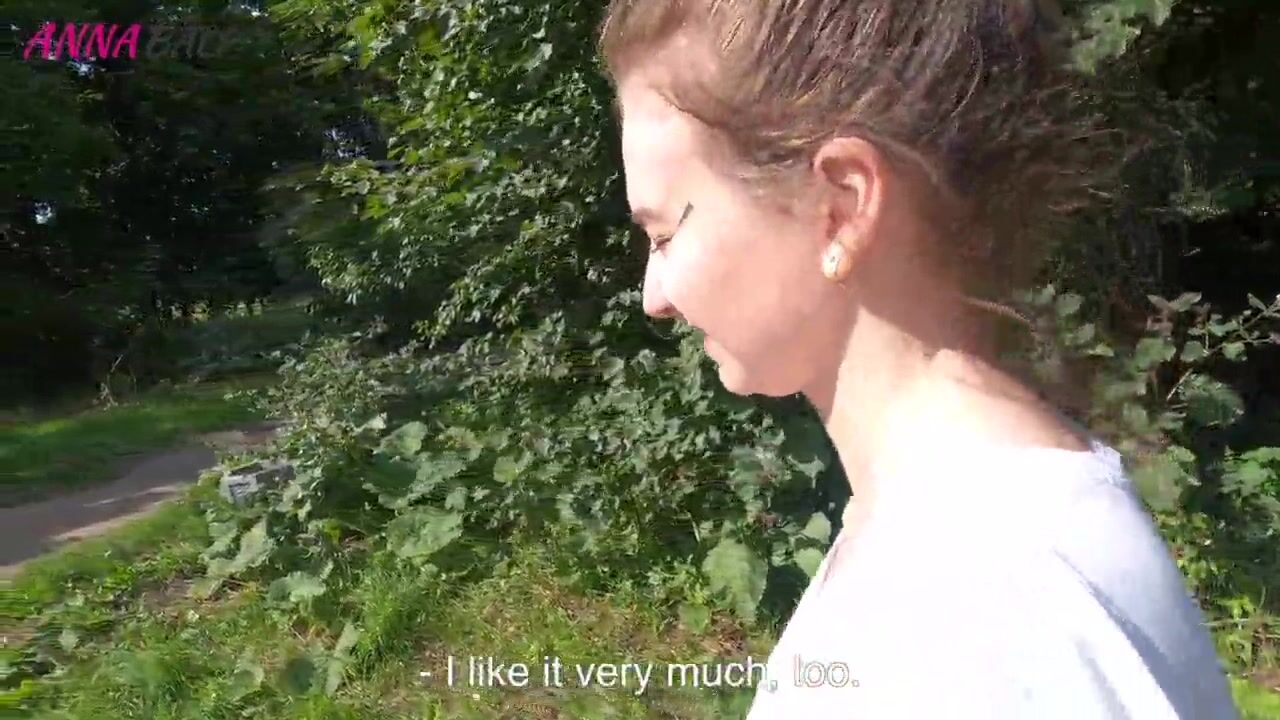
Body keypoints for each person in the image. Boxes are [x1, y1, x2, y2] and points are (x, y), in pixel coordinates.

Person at [596, 0, 1238, 717]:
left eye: (664, 235)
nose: (654, 297)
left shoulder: (979, 605)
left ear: (841, 207)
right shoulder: (953, 550)